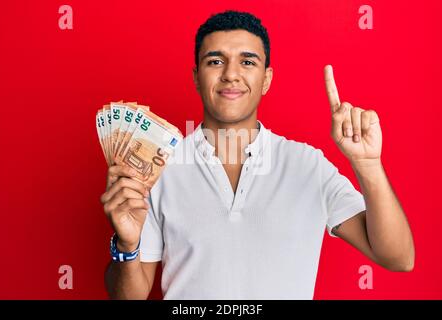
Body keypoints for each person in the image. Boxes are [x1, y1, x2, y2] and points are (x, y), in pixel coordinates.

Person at [101, 10, 415, 299]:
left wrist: (368, 165)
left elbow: (398, 258)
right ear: (196, 77)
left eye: (248, 62)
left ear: (266, 79)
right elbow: (130, 296)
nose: (231, 75)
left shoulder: (308, 165)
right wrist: (127, 246)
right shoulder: (160, 168)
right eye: (215, 61)